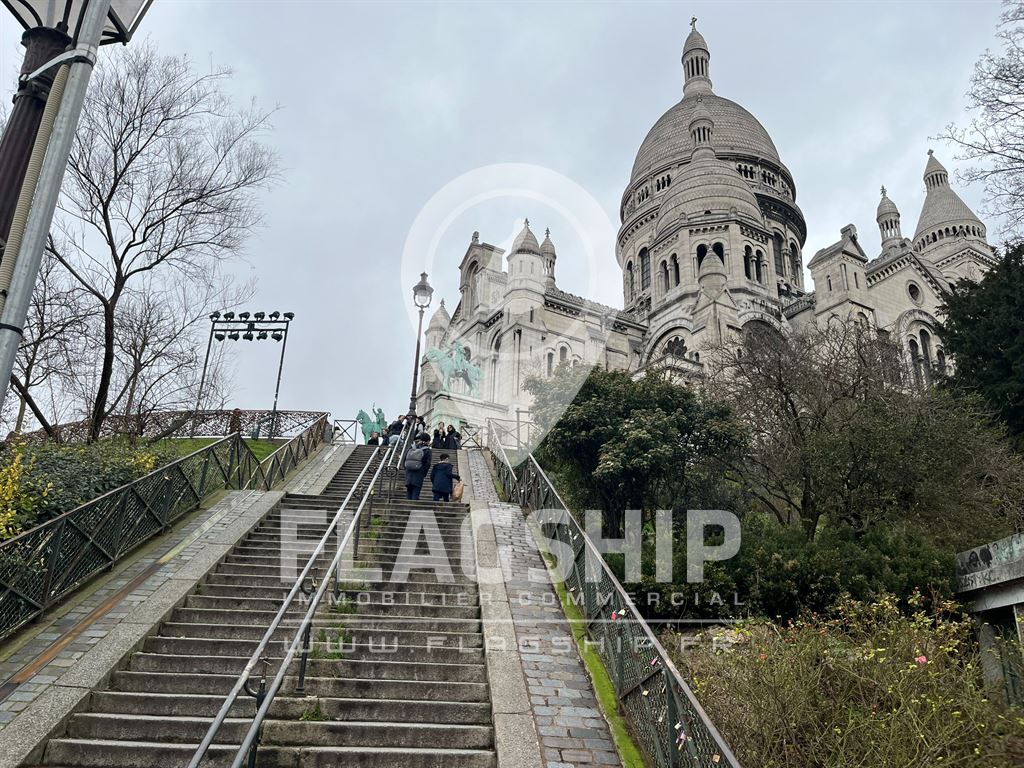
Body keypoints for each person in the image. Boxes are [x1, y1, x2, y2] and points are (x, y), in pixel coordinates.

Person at [403, 435, 432, 500]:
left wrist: (406, 468)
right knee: (416, 491)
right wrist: (424, 473)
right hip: (419, 472)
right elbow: (428, 463)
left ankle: (407, 506)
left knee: (409, 490)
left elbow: (404, 459)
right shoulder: (427, 450)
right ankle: (413, 506)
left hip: (409, 472)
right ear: (427, 441)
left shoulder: (412, 447)